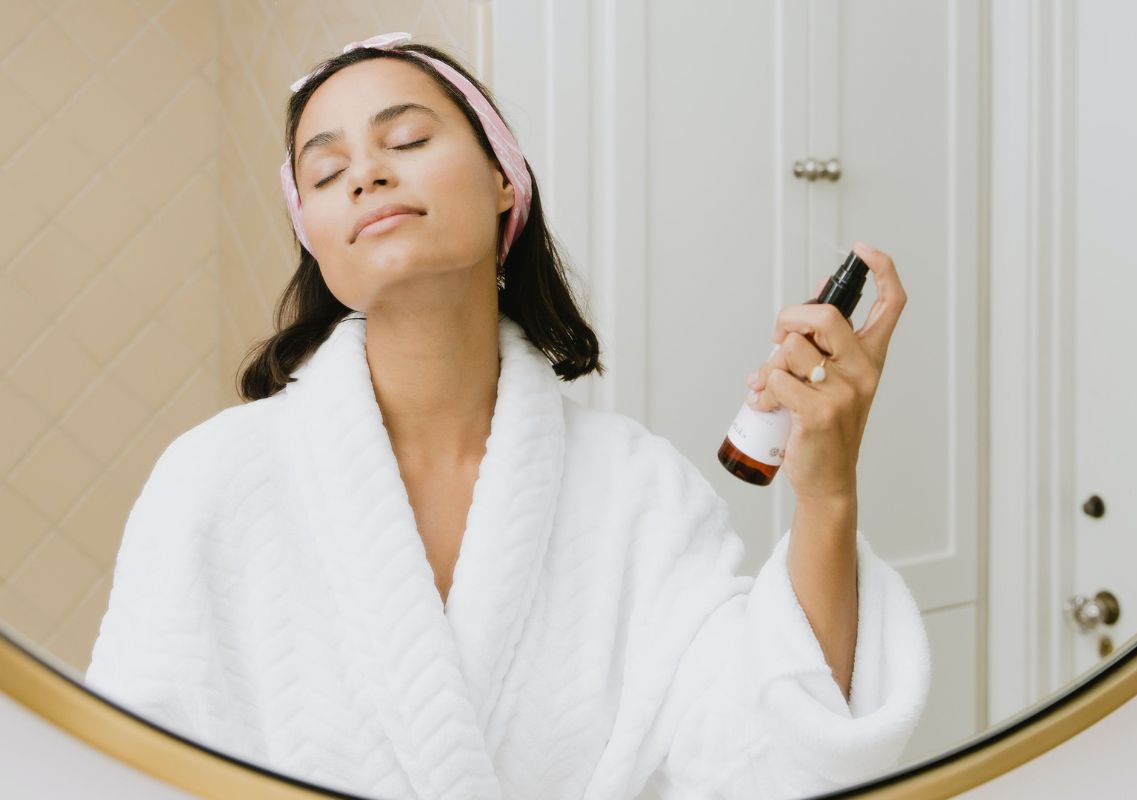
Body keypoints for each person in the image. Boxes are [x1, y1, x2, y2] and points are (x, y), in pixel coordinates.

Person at [85, 32, 931, 800]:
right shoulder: (211, 482)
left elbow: (766, 758)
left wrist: (826, 492)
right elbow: (124, 771)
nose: (367, 173)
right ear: (315, 236)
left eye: (407, 140)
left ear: (503, 179)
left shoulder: (639, 493)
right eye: (324, 171)